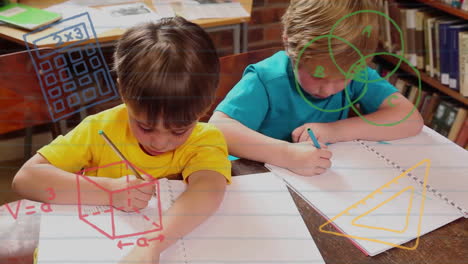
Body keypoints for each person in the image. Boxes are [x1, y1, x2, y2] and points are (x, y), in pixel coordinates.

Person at [13, 17, 231, 263]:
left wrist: (150, 246)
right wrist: (109, 191)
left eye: (179, 130)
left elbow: (209, 190)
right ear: (123, 91)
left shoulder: (206, 139)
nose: (159, 142)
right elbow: (26, 180)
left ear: (206, 106)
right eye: (145, 126)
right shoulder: (99, 128)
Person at [209, 0, 423, 176]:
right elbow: (219, 129)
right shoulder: (267, 79)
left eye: (343, 78)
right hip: (258, 182)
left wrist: (335, 131)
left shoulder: (354, 69)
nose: (329, 89)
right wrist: (287, 154)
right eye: (317, 75)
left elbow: (410, 119)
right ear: (289, 45)